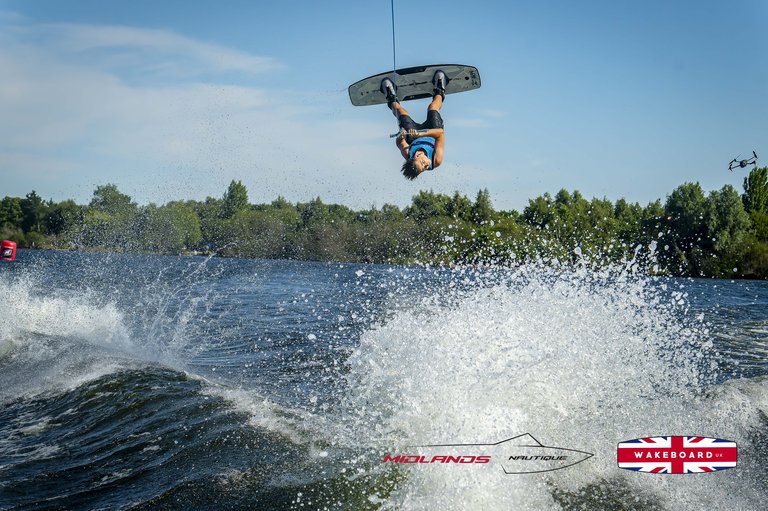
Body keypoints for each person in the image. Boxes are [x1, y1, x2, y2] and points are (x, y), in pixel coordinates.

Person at [380, 70, 447, 180]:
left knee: (401, 113)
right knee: (432, 108)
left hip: (412, 137)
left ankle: (391, 97)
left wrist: (401, 136)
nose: (427, 165)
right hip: (433, 133)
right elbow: (440, 133)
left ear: (416, 156)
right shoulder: (436, 160)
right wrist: (420, 135)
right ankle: (439, 89)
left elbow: (400, 143)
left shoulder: (408, 154)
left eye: (422, 164)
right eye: (425, 168)